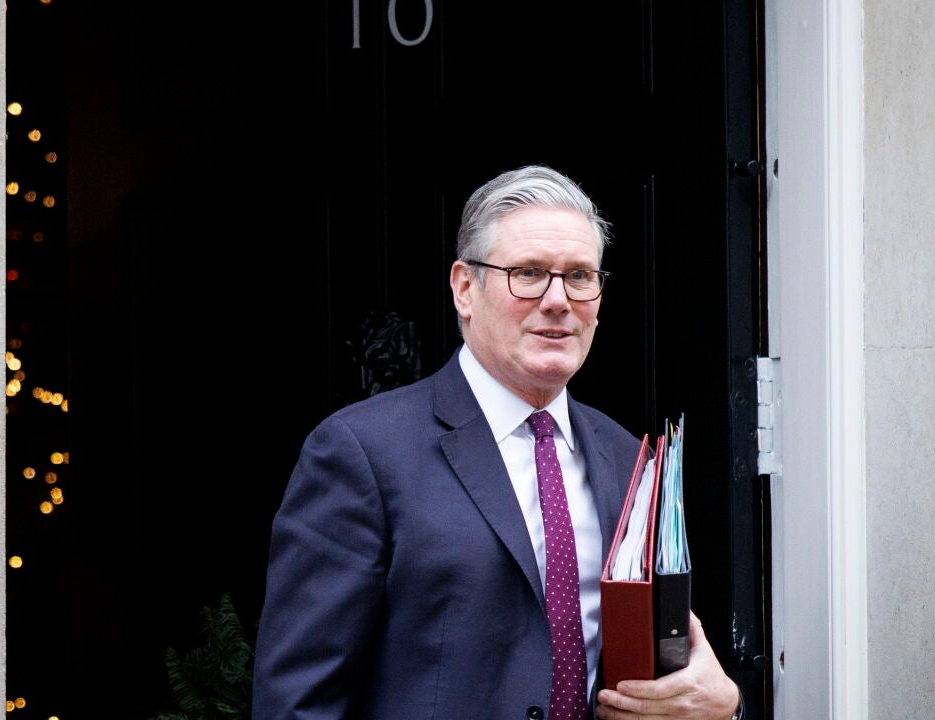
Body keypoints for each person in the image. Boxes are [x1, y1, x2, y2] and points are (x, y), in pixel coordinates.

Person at [252, 165, 743, 720]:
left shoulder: (630, 458)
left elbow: (667, 675)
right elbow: (298, 700)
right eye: (528, 273)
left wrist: (723, 707)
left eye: (580, 275)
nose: (558, 300)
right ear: (465, 288)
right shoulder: (362, 452)